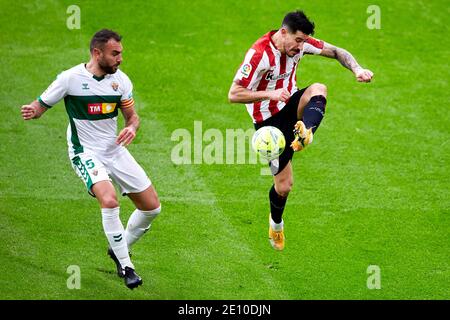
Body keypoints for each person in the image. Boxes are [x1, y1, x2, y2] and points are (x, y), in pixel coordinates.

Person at [21, 29, 161, 289]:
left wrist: (131, 127)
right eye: (115, 53)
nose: (120, 59)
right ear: (97, 53)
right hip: (85, 152)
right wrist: (33, 110)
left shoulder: (120, 81)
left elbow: (132, 117)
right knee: (109, 200)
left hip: (114, 150)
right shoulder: (70, 79)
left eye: (120, 53)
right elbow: (40, 105)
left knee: (152, 207)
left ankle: (118, 247)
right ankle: (127, 266)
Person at [228, 11, 373, 251]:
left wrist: (357, 69)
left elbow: (337, 52)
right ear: (283, 33)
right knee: (284, 187)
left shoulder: (300, 45)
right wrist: (270, 94)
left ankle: (306, 131)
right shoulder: (259, 55)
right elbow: (234, 94)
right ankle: (275, 224)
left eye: (304, 41)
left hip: (292, 105)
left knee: (319, 88)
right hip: (268, 123)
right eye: (298, 41)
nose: (301, 47)